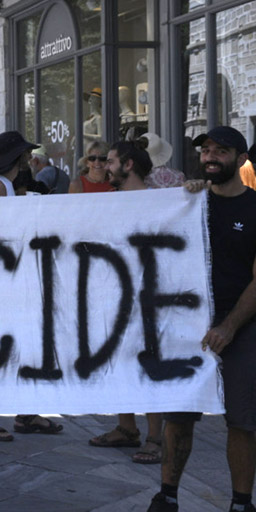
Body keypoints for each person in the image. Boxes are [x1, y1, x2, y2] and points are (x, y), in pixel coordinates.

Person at [137, 125, 256, 512]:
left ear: (241, 158)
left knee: (243, 420)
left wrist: (229, 326)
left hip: (237, 329)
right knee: (178, 417)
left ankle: (242, 509)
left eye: (220, 151)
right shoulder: (188, 204)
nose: (209, 157)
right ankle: (166, 500)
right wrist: (179, 199)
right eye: (205, 150)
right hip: (184, 330)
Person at [0, 130, 64, 441]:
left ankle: (25, 411)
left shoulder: (5, 185)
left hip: (10, 275)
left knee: (23, 341)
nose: (28, 160)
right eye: (24, 155)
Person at [88, 140, 164, 465]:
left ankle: (157, 437)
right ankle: (126, 426)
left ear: (128, 165)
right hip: (115, 293)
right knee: (119, 361)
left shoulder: (158, 201)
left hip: (149, 294)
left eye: (111, 161)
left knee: (149, 364)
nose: (106, 166)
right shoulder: (111, 200)